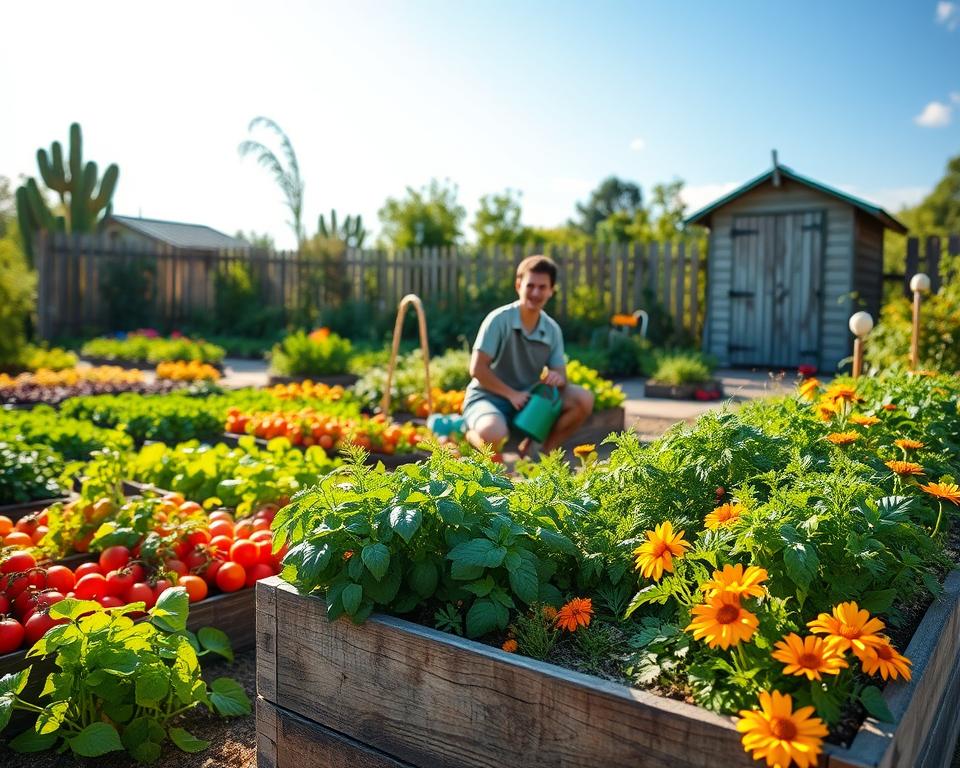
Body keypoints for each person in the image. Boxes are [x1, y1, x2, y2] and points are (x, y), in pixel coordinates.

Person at [462, 254, 594, 458]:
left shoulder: (552, 330)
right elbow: (477, 369)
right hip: (487, 398)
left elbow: (561, 375)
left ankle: (540, 455)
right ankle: (471, 434)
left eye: (542, 287)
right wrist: (511, 394)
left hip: (527, 401)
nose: (535, 292)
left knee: (583, 399)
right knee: (493, 432)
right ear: (518, 285)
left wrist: (557, 378)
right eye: (530, 285)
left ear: (551, 290)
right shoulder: (498, 320)